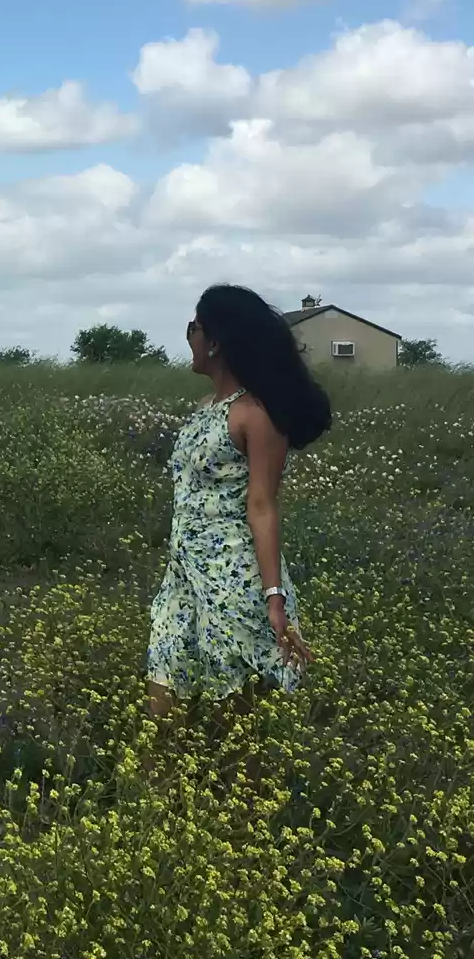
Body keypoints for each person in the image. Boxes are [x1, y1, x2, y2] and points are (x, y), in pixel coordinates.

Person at [146, 284, 332, 725]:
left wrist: (274, 599)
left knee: (236, 726)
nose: (187, 337)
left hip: (234, 585)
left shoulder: (256, 414)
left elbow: (263, 504)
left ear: (214, 341)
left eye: (193, 327)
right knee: (162, 708)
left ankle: (232, 793)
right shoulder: (207, 407)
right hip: (184, 579)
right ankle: (155, 792)